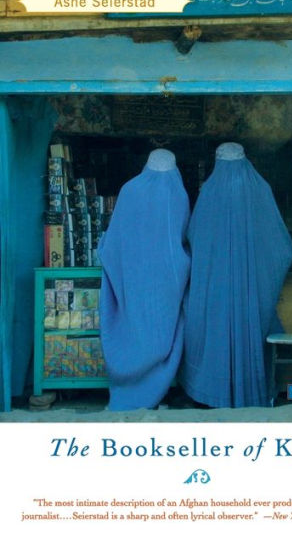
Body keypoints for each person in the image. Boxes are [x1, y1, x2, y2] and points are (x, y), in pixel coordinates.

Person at [178, 142, 292, 408]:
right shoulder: (259, 190)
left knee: (214, 332)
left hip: (215, 290)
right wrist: (258, 275)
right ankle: (252, 393)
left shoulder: (209, 192)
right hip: (252, 292)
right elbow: (281, 247)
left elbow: (194, 238)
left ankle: (212, 393)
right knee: (250, 333)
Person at [98, 149, 191, 411]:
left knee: (136, 327)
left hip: (135, 279)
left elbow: (115, 241)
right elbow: (181, 239)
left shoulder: (130, 190)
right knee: (163, 330)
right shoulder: (178, 193)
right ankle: (158, 388)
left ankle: (130, 387)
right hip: (167, 281)